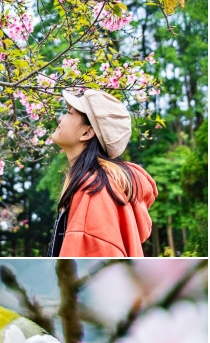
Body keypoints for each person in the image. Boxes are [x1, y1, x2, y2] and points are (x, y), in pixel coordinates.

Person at [48, 88, 156, 256]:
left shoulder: (94, 189)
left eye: (70, 113)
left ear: (87, 132)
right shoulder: (98, 184)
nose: (61, 117)